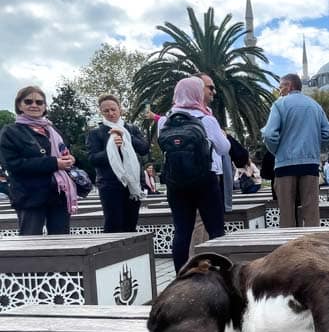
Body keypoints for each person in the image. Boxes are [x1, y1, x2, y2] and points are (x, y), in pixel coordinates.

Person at [158, 76, 230, 271]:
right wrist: (221, 136)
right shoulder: (207, 119)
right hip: (205, 180)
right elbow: (224, 149)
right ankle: (220, 276)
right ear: (197, 94)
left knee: (181, 231)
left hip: (175, 184)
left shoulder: (164, 121)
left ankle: (180, 277)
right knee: (215, 230)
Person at [0, 85, 78, 234]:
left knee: (62, 245)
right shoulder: (11, 132)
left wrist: (70, 159)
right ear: (19, 105)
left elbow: (62, 152)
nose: (34, 105)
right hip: (29, 196)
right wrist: (54, 163)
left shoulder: (53, 130)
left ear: (44, 106)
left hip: (58, 193)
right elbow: (12, 164)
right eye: (28, 101)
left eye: (39, 102)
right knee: (30, 244)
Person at [262, 73, 329, 227]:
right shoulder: (314, 106)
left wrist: (278, 151)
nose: (279, 91)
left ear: (289, 86)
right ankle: (311, 248)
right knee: (311, 214)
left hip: (284, 165)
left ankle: (290, 248)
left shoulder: (279, 105)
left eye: (281, 87)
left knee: (287, 214)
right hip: (310, 164)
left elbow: (269, 134)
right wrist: (314, 146)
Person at [87, 95, 149, 232]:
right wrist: (111, 149)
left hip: (133, 183)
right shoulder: (96, 133)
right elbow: (92, 159)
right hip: (110, 185)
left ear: (120, 109)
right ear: (101, 112)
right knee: (113, 224)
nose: (110, 113)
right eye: (106, 111)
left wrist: (126, 137)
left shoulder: (131, 129)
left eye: (113, 109)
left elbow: (144, 149)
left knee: (131, 224)